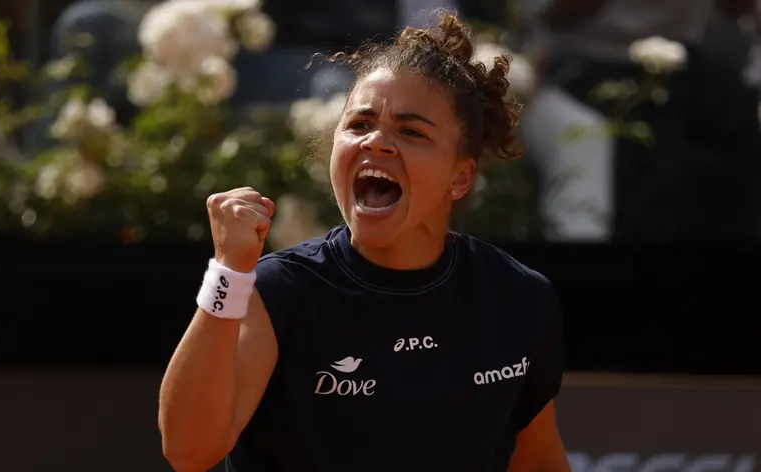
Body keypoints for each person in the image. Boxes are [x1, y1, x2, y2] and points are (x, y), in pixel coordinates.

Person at [158, 11, 570, 472]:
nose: (376, 142)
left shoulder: (517, 296)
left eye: (411, 132)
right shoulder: (274, 291)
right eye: (358, 124)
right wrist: (228, 273)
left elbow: (538, 459)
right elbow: (189, 451)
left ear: (460, 177)